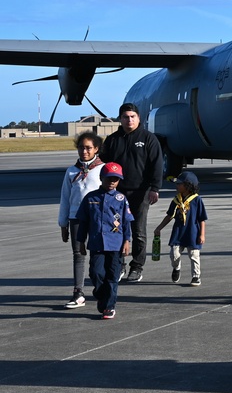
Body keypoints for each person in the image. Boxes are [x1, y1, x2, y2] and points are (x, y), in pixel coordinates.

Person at [100, 102, 163, 283]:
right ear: (120, 119)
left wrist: (155, 188)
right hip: (116, 193)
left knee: (138, 231)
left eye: (132, 117)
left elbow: (157, 165)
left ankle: (137, 267)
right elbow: (101, 164)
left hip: (141, 192)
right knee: (116, 229)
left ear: (138, 118)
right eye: (126, 117)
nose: (129, 120)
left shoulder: (149, 138)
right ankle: (118, 265)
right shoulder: (112, 140)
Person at [75, 162, 133, 320]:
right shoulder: (90, 198)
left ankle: (109, 306)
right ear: (101, 178)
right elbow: (84, 222)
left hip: (116, 243)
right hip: (97, 243)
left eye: (116, 179)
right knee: (96, 273)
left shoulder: (121, 199)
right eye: (109, 178)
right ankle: (101, 294)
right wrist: (80, 242)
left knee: (112, 276)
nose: (112, 182)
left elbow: (127, 222)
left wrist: (127, 241)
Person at [58, 132, 105, 309]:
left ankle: (101, 289)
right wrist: (63, 223)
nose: (84, 151)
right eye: (81, 148)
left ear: (96, 149)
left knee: (97, 255)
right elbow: (65, 197)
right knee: (78, 255)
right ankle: (78, 293)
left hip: (97, 218)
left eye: (88, 148)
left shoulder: (103, 169)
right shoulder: (71, 171)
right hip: (76, 218)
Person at [153, 171, 208, 287]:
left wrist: (202, 235)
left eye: (179, 184)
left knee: (194, 255)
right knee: (174, 254)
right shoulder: (176, 200)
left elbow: (202, 219)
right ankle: (176, 268)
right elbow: (169, 216)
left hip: (192, 232)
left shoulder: (197, 200)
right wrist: (159, 228)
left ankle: (196, 276)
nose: (177, 186)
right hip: (178, 232)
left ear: (188, 186)